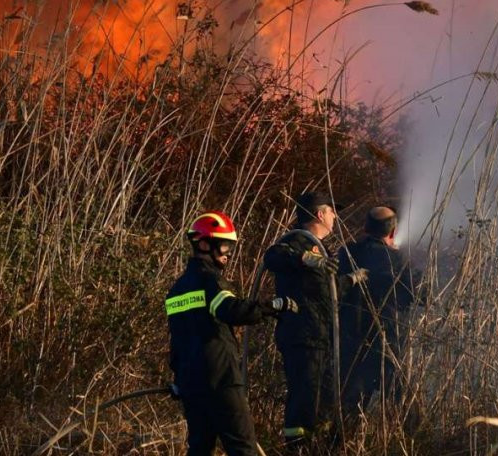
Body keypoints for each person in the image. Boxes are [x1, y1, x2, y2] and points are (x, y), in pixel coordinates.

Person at [166, 210, 299, 456]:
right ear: (204, 244)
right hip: (221, 379)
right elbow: (231, 310)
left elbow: (178, 341)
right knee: (242, 448)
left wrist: (178, 379)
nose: (228, 253)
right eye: (225, 245)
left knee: (199, 448)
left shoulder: (176, 289)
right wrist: (273, 306)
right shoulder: (209, 279)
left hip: (191, 383)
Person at [263, 191, 367, 451]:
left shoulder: (323, 249)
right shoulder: (297, 241)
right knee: (304, 398)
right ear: (320, 214)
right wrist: (306, 258)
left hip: (321, 336)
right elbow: (272, 257)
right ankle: (297, 447)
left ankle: (321, 446)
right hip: (301, 335)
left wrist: (352, 279)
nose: (334, 217)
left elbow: (324, 291)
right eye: (332, 211)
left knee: (325, 398)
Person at [337, 206, 416, 414]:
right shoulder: (398, 260)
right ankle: (407, 440)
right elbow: (415, 294)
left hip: (349, 336)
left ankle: (337, 443)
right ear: (392, 233)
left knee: (349, 401)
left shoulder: (346, 252)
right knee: (399, 399)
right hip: (386, 337)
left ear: (365, 228)